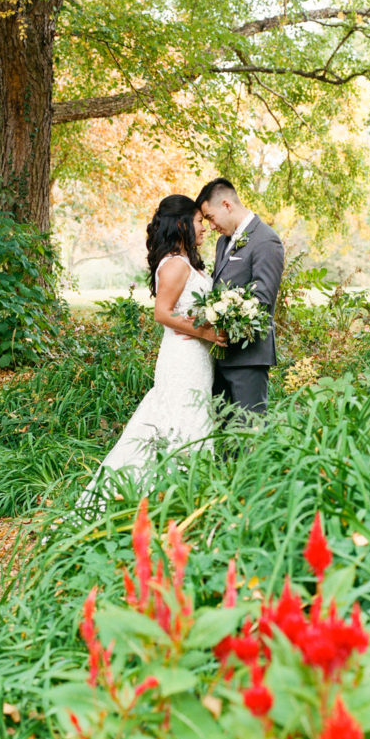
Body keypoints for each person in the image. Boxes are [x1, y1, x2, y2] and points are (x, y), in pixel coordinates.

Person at [77, 195, 223, 507]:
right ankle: (165, 494)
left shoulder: (186, 263)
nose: (205, 229)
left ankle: (182, 494)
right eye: (199, 222)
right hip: (181, 358)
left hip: (195, 357)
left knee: (192, 417)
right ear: (182, 224)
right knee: (179, 416)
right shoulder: (174, 264)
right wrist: (207, 332)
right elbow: (163, 313)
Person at [196, 178, 285, 416]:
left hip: (249, 356)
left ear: (226, 205)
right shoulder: (223, 242)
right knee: (225, 435)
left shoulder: (266, 240)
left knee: (250, 431)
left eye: (211, 217)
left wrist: (226, 322)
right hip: (221, 356)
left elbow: (262, 299)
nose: (211, 226)